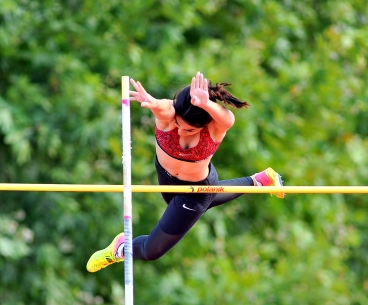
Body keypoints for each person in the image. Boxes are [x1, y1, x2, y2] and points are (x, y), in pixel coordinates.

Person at [87, 71, 284, 272]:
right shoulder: (169, 117)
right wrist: (152, 102)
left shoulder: (214, 129)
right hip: (167, 179)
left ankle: (120, 247)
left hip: (196, 190)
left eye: (189, 130)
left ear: (205, 124)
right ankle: (261, 180)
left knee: (151, 250)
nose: (181, 131)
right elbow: (164, 107)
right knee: (203, 200)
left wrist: (206, 104)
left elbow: (229, 119)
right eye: (180, 125)